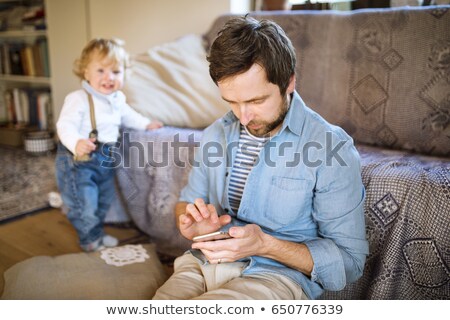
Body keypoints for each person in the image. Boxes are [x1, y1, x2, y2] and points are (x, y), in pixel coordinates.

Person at [152, 16, 368, 300]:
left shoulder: (330, 147)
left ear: (289, 81)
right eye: (232, 102)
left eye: (256, 101)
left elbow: (350, 262)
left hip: (276, 276)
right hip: (202, 263)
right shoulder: (216, 134)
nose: (243, 117)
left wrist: (264, 245)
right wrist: (190, 223)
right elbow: (187, 202)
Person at [55, 38, 163, 252]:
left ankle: (97, 232)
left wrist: (146, 124)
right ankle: (89, 239)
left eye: (115, 71)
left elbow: (129, 116)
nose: (108, 78)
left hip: (105, 157)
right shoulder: (78, 98)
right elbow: (64, 125)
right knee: (85, 203)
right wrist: (76, 142)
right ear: (86, 73)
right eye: (101, 71)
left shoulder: (117, 99)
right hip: (79, 160)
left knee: (103, 199)